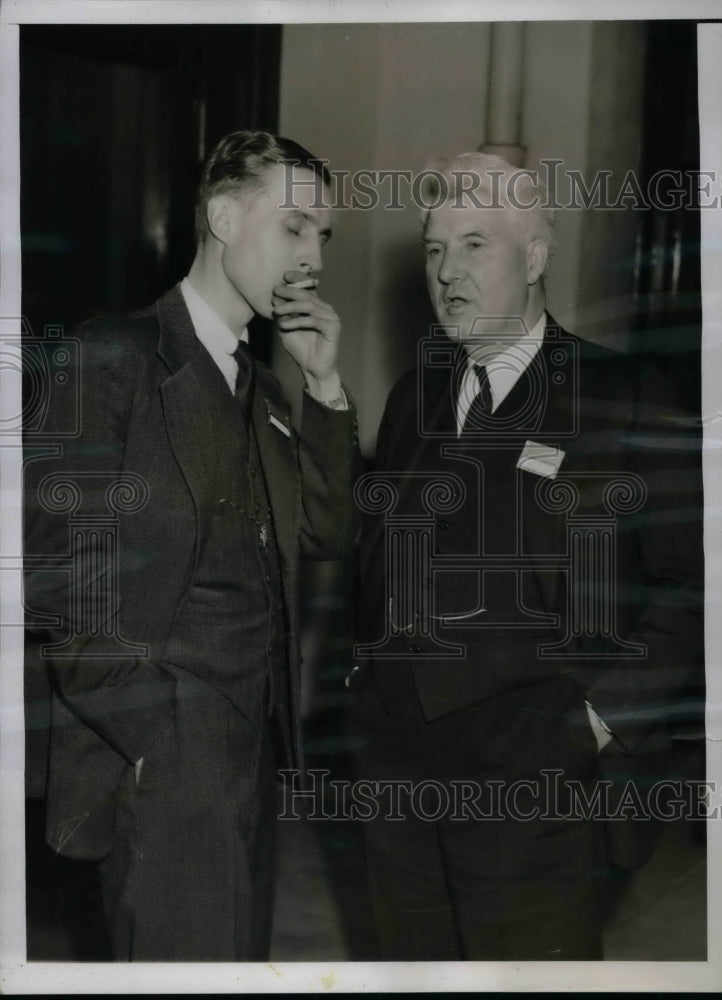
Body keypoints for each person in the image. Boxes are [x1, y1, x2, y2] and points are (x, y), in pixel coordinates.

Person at [349, 152, 703, 960]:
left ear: (534, 257)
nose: (447, 272)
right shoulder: (416, 396)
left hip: (541, 778)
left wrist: (604, 717)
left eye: (475, 245)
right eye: (437, 250)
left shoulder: (626, 395)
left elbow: (693, 581)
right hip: (397, 769)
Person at [23, 130, 357, 961]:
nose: (313, 253)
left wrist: (324, 387)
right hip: (162, 759)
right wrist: (145, 738)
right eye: (294, 227)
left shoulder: (265, 383)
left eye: (324, 234)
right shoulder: (116, 356)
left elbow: (328, 529)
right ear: (221, 216)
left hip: (255, 751)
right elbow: (58, 572)